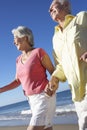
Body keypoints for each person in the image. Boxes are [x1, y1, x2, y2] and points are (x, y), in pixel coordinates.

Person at [0, 26, 56, 130]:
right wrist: (1, 90)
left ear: (25, 37)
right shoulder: (18, 60)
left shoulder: (39, 52)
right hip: (31, 100)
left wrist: (52, 86)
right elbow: (17, 81)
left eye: (15, 38)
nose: (13, 42)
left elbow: (53, 72)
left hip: (44, 96)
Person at [47, 0, 87, 130]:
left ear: (65, 5)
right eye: (49, 9)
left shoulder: (81, 18)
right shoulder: (55, 38)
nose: (49, 10)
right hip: (77, 93)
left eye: (53, 6)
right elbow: (60, 65)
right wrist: (54, 78)